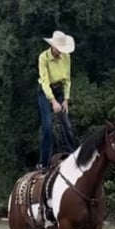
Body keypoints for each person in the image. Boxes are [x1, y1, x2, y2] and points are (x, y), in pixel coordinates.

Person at [36, 30, 78, 172]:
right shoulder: (43, 58)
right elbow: (45, 81)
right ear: (53, 46)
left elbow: (67, 79)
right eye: (59, 49)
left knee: (66, 124)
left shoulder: (66, 57)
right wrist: (53, 101)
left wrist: (66, 99)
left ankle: (73, 156)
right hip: (45, 91)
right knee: (47, 126)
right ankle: (43, 163)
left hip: (60, 90)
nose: (61, 52)